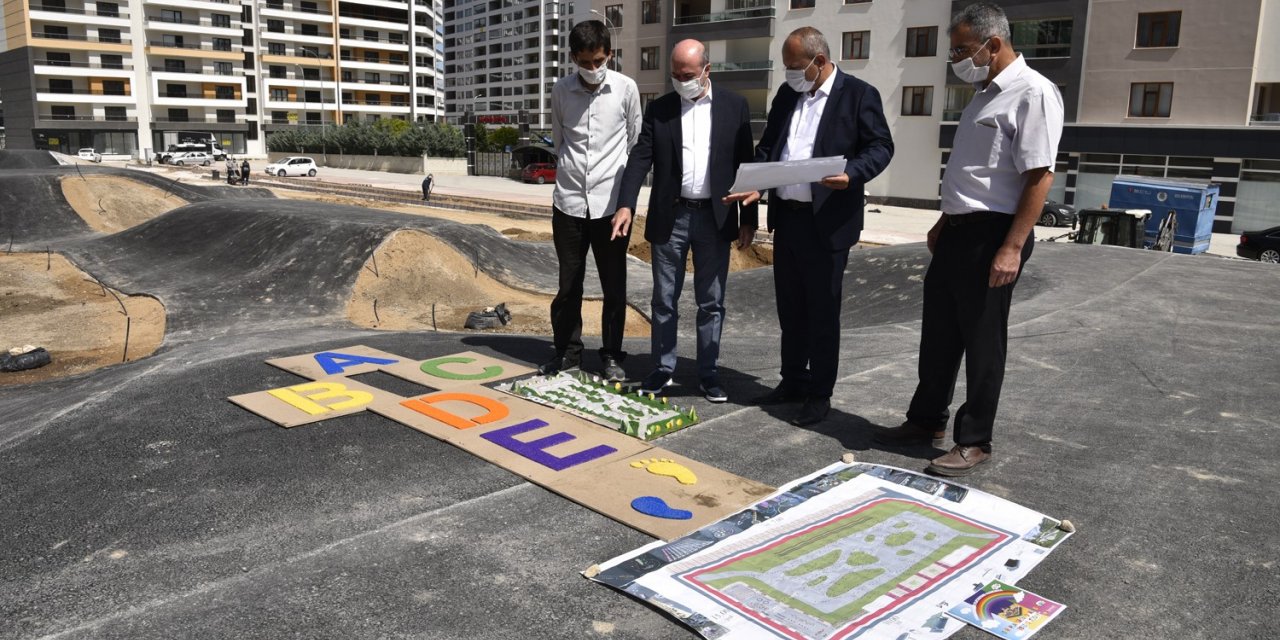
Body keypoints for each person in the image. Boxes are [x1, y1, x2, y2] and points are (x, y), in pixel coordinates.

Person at [875, 2, 1064, 476]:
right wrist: (944, 220)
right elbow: (974, 172)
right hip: (958, 232)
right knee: (938, 335)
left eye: (962, 48)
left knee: (983, 341)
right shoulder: (983, 94)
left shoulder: (1033, 92)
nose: (956, 57)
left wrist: (1013, 246)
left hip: (994, 235)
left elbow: (1039, 176)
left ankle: (975, 439)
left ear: (993, 43)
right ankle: (925, 422)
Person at [725, 27, 893, 427]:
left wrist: (852, 174)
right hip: (789, 219)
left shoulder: (858, 94)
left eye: (795, 67)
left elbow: (881, 146)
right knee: (791, 309)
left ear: (819, 61)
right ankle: (793, 381)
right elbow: (771, 148)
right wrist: (755, 185)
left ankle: (820, 394)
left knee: (822, 313)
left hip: (828, 224)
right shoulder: (787, 95)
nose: (790, 75)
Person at [614, 40, 758, 403]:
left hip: (716, 216)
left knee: (711, 301)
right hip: (671, 217)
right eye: (675, 75)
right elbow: (639, 158)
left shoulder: (734, 107)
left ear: (707, 70)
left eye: (688, 75)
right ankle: (663, 369)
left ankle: (708, 374)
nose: (680, 81)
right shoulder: (660, 109)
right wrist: (626, 204)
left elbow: (747, 165)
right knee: (664, 300)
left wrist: (749, 218)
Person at [540, 20, 642, 382]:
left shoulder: (626, 89)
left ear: (609, 55)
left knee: (614, 286)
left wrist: (628, 200)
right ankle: (567, 354)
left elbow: (635, 144)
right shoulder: (560, 91)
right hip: (568, 203)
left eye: (599, 61)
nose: (593, 69)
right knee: (569, 285)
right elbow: (558, 140)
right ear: (573, 58)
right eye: (585, 62)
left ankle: (612, 355)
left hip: (611, 206)